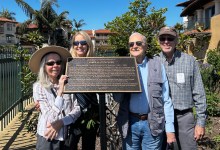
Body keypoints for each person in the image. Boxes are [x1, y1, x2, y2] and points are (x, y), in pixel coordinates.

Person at [114, 32, 176, 150]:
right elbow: (117, 98)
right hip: (129, 123)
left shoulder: (157, 65)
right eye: (131, 44)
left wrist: (170, 129)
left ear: (146, 46)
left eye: (138, 43)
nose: (134, 46)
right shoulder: (122, 67)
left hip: (153, 123)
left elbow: (166, 100)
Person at [156, 26, 207, 150]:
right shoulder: (154, 62)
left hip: (184, 118)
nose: (166, 41)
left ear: (176, 40)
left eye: (170, 38)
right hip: (160, 119)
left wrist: (200, 123)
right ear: (158, 41)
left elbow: (199, 93)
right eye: (163, 38)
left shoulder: (190, 61)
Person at [28, 46, 81, 150]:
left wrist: (61, 122)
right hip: (48, 137)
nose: (55, 66)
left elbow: (77, 109)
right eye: (50, 63)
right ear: (44, 66)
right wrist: (60, 91)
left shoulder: (68, 83)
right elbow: (50, 117)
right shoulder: (39, 87)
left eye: (58, 62)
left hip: (67, 136)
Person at [69, 31, 99, 150]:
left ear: (88, 45)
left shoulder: (96, 63)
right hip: (71, 111)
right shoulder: (67, 63)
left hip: (91, 112)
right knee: (70, 145)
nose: (79, 46)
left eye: (83, 42)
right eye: (76, 43)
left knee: (89, 146)